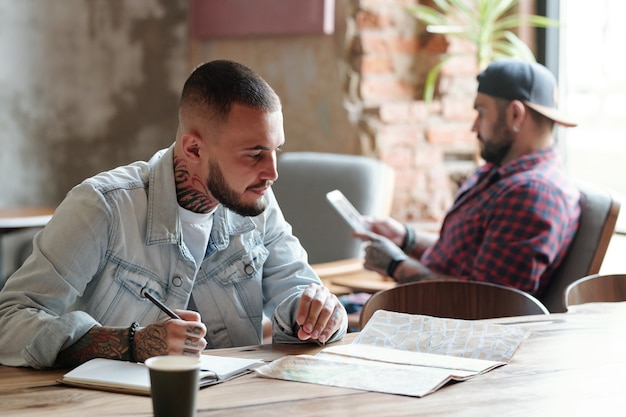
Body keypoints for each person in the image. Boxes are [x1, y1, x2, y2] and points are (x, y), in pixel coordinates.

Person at [0, 59, 347, 369]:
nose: (272, 172)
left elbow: (300, 290)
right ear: (193, 148)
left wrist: (318, 313)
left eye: (275, 150)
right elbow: (9, 321)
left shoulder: (257, 202)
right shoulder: (102, 206)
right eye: (255, 154)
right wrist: (131, 344)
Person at [355, 59, 581, 297]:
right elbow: (463, 257)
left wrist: (395, 265)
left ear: (516, 115)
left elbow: (487, 301)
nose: (474, 127)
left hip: (443, 327)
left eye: (481, 112)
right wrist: (406, 238)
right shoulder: (503, 173)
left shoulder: (533, 193)